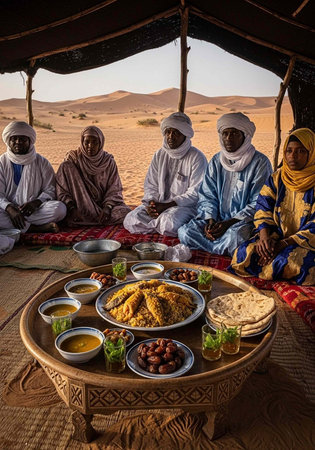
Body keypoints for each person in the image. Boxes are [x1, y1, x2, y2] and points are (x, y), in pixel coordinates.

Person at [178, 112, 272, 256]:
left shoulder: (260, 163)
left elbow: (258, 203)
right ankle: (221, 249)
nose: (228, 138)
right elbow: (207, 196)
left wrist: (228, 223)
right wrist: (210, 221)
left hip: (242, 222)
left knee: (237, 238)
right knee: (184, 232)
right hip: (217, 220)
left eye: (234, 133)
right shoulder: (216, 161)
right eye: (225, 133)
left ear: (245, 136)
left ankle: (213, 247)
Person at [230, 128, 315, 285]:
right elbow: (263, 207)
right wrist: (264, 238)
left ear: (311, 153)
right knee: (243, 254)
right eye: (289, 151)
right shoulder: (278, 177)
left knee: (298, 264)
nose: (292, 156)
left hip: (305, 242)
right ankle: (277, 270)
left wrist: (283, 244)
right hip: (276, 235)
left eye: (300, 151)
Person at [123, 112, 207, 236]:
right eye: (168, 132)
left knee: (170, 222)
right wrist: (152, 204)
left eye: (176, 133)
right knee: (131, 219)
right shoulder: (159, 154)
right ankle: (158, 226)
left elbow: (195, 193)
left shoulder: (196, 157)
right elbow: (151, 184)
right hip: (158, 204)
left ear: (185, 135)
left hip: (183, 207)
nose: (171, 136)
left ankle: (156, 226)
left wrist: (168, 205)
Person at [56, 126, 131, 227]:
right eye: (87, 142)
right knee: (65, 166)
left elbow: (114, 189)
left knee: (125, 213)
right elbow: (62, 189)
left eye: (95, 142)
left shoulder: (108, 162)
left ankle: (88, 219)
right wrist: (71, 208)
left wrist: (107, 208)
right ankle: (82, 217)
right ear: (82, 142)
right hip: (79, 206)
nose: (90, 146)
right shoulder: (73, 159)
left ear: (101, 143)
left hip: (103, 206)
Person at [0, 121, 66, 233]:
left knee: (60, 209)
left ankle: (18, 226)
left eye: (23, 139)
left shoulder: (42, 162)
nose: (18, 142)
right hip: (8, 210)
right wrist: (10, 209)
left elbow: (50, 190)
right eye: (14, 139)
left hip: (33, 210)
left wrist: (35, 203)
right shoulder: (2, 162)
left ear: (30, 141)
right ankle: (34, 228)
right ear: (8, 141)